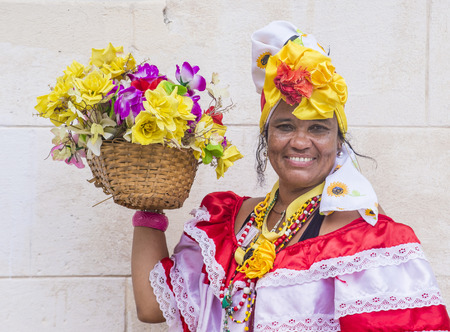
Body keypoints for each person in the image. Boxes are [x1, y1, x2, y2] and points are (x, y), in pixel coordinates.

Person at [131, 21, 450, 332]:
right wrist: (148, 200)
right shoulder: (226, 222)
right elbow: (152, 308)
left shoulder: (369, 243)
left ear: (338, 141)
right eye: (285, 126)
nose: (300, 141)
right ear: (266, 135)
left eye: (318, 128)